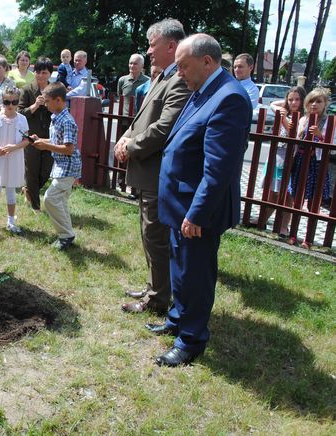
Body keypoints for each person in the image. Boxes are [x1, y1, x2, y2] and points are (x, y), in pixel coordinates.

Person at [148, 34, 251, 367]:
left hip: (197, 211)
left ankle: (191, 339)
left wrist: (197, 214)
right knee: (180, 269)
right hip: (181, 205)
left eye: (184, 66)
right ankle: (178, 318)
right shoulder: (202, 90)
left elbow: (219, 169)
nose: (179, 74)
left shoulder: (228, 98)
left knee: (196, 274)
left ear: (207, 62)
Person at [114, 19, 191, 316]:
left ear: (171, 45)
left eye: (152, 44)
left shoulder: (180, 80)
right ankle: (154, 286)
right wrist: (124, 137)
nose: (148, 51)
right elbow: (141, 119)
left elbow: (164, 128)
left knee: (156, 237)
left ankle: (158, 299)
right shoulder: (162, 77)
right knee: (149, 234)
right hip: (146, 172)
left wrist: (130, 147)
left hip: (158, 173)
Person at [31, 82, 81, 250]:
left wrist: (45, 146)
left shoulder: (66, 121)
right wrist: (41, 140)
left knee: (50, 199)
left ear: (58, 100)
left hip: (67, 167)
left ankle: (65, 235)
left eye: (47, 101)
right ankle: (68, 235)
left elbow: (68, 149)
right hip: (61, 166)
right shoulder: (57, 117)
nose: (45, 105)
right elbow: (56, 141)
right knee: (60, 201)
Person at [258, 86, 306, 237]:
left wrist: (283, 117)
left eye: (297, 99)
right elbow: (272, 104)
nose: (293, 102)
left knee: (287, 195)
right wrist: (281, 107)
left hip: (291, 157)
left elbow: (293, 133)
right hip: (277, 155)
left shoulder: (303, 118)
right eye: (291, 99)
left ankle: (284, 226)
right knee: (272, 191)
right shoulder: (284, 111)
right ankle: (262, 220)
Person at [288, 88, 332, 248]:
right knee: (296, 201)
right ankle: (293, 234)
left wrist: (320, 135)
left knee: (313, 203)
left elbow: (332, 145)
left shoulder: (329, 121)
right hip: (300, 161)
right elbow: (296, 138)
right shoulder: (303, 119)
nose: (314, 104)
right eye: (311, 101)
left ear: (325, 104)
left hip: (316, 163)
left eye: (318, 101)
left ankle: (308, 239)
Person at [0, 86, 30, 234]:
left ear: (18, 102)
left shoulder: (22, 119)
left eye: (14, 102)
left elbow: (27, 140)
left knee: (11, 190)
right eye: (7, 102)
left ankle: (11, 221)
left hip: (14, 157)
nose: (10, 106)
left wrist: (13, 147)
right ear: (2, 100)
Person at [18, 56, 53, 211]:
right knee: (32, 169)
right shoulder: (27, 89)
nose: (40, 75)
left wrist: (48, 105)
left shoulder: (55, 89)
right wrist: (35, 105)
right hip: (31, 136)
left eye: (44, 72)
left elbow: (60, 110)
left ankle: (29, 190)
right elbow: (20, 112)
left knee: (45, 170)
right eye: (38, 72)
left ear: (49, 74)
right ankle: (36, 206)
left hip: (49, 136)